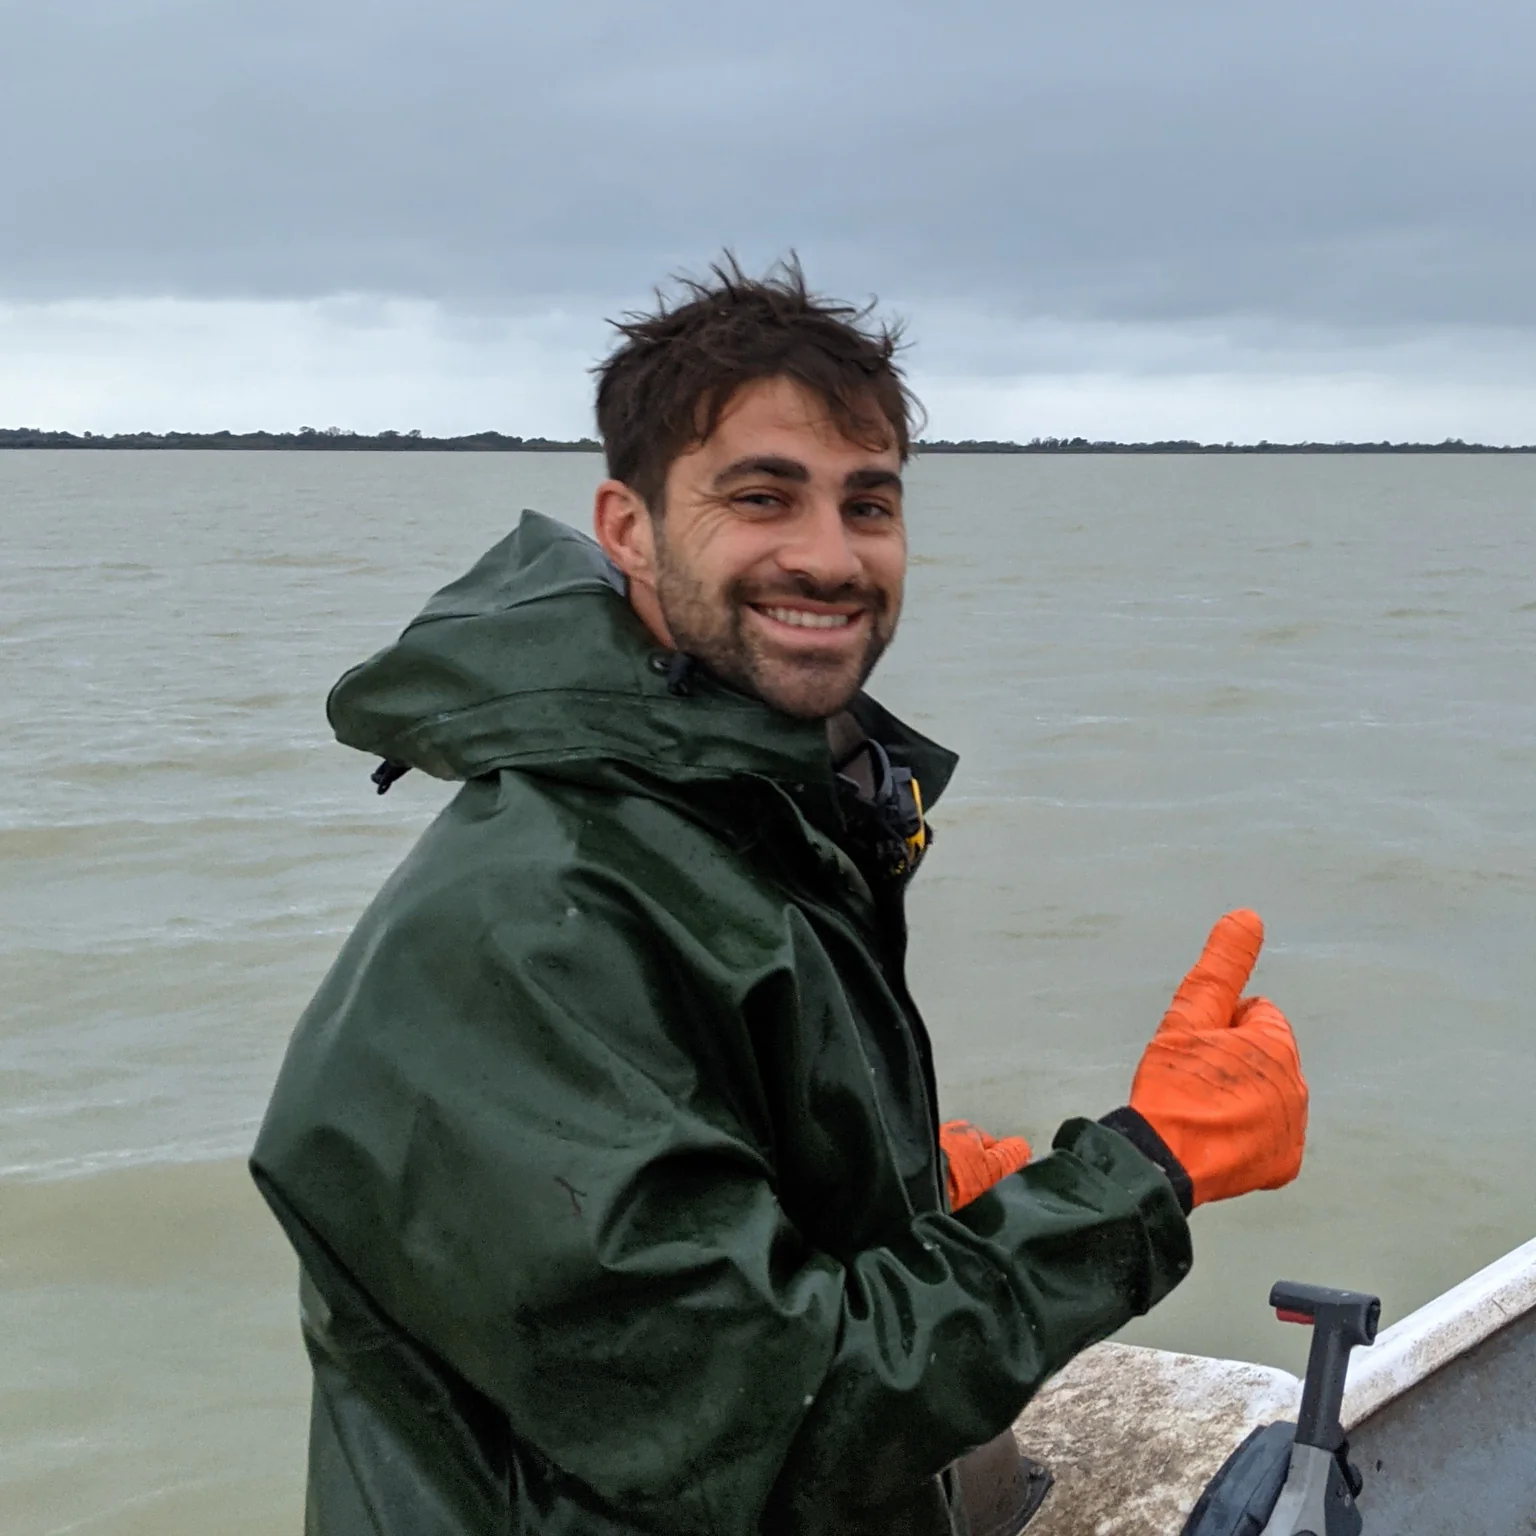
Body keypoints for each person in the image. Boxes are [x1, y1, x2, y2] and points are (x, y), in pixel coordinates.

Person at [251, 258, 1308, 1536]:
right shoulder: (525, 922)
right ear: (627, 527)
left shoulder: (737, 810)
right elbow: (765, 1415)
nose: (829, 556)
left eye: (869, 504)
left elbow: (678, 1247)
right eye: (762, 496)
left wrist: (896, 1195)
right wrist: (1147, 1172)